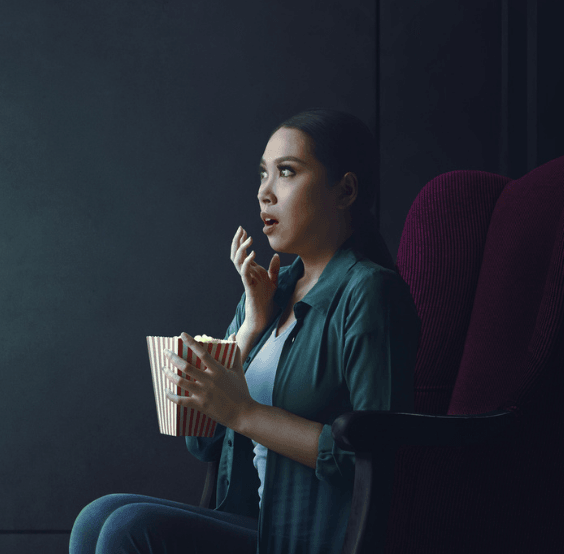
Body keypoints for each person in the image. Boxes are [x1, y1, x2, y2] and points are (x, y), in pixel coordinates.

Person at [70, 109, 420, 554]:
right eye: (262, 175)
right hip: (250, 525)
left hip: (311, 540)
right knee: (96, 516)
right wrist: (251, 328)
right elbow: (202, 441)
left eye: (287, 173)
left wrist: (245, 413)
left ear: (345, 190)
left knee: (128, 528)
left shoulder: (370, 292)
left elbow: (379, 458)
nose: (264, 193)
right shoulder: (270, 291)